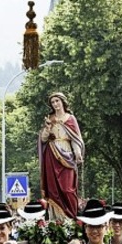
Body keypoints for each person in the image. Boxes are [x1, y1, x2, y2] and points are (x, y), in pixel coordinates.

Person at [38, 92, 84, 220]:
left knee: (68, 189)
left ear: (63, 102)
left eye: (57, 101)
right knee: (54, 190)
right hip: (52, 154)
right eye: (53, 102)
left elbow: (76, 138)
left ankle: (71, 218)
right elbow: (43, 139)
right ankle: (56, 219)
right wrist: (47, 129)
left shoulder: (70, 118)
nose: (55, 104)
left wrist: (77, 152)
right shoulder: (50, 118)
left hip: (67, 154)